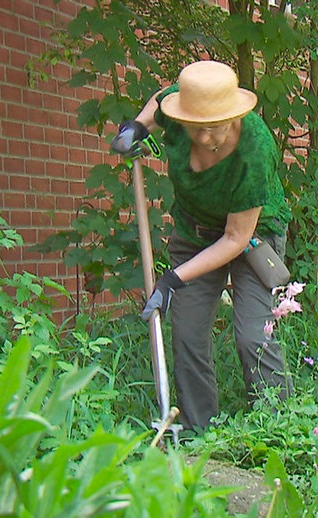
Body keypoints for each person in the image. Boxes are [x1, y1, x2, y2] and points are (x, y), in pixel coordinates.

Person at [111, 60, 293, 431]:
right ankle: (200, 433)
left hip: (252, 238)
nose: (209, 139)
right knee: (188, 335)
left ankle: (279, 429)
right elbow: (158, 104)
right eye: (198, 129)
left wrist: (172, 280)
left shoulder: (254, 149)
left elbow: (235, 238)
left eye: (217, 128)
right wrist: (136, 128)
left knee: (253, 336)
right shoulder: (179, 110)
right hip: (195, 235)